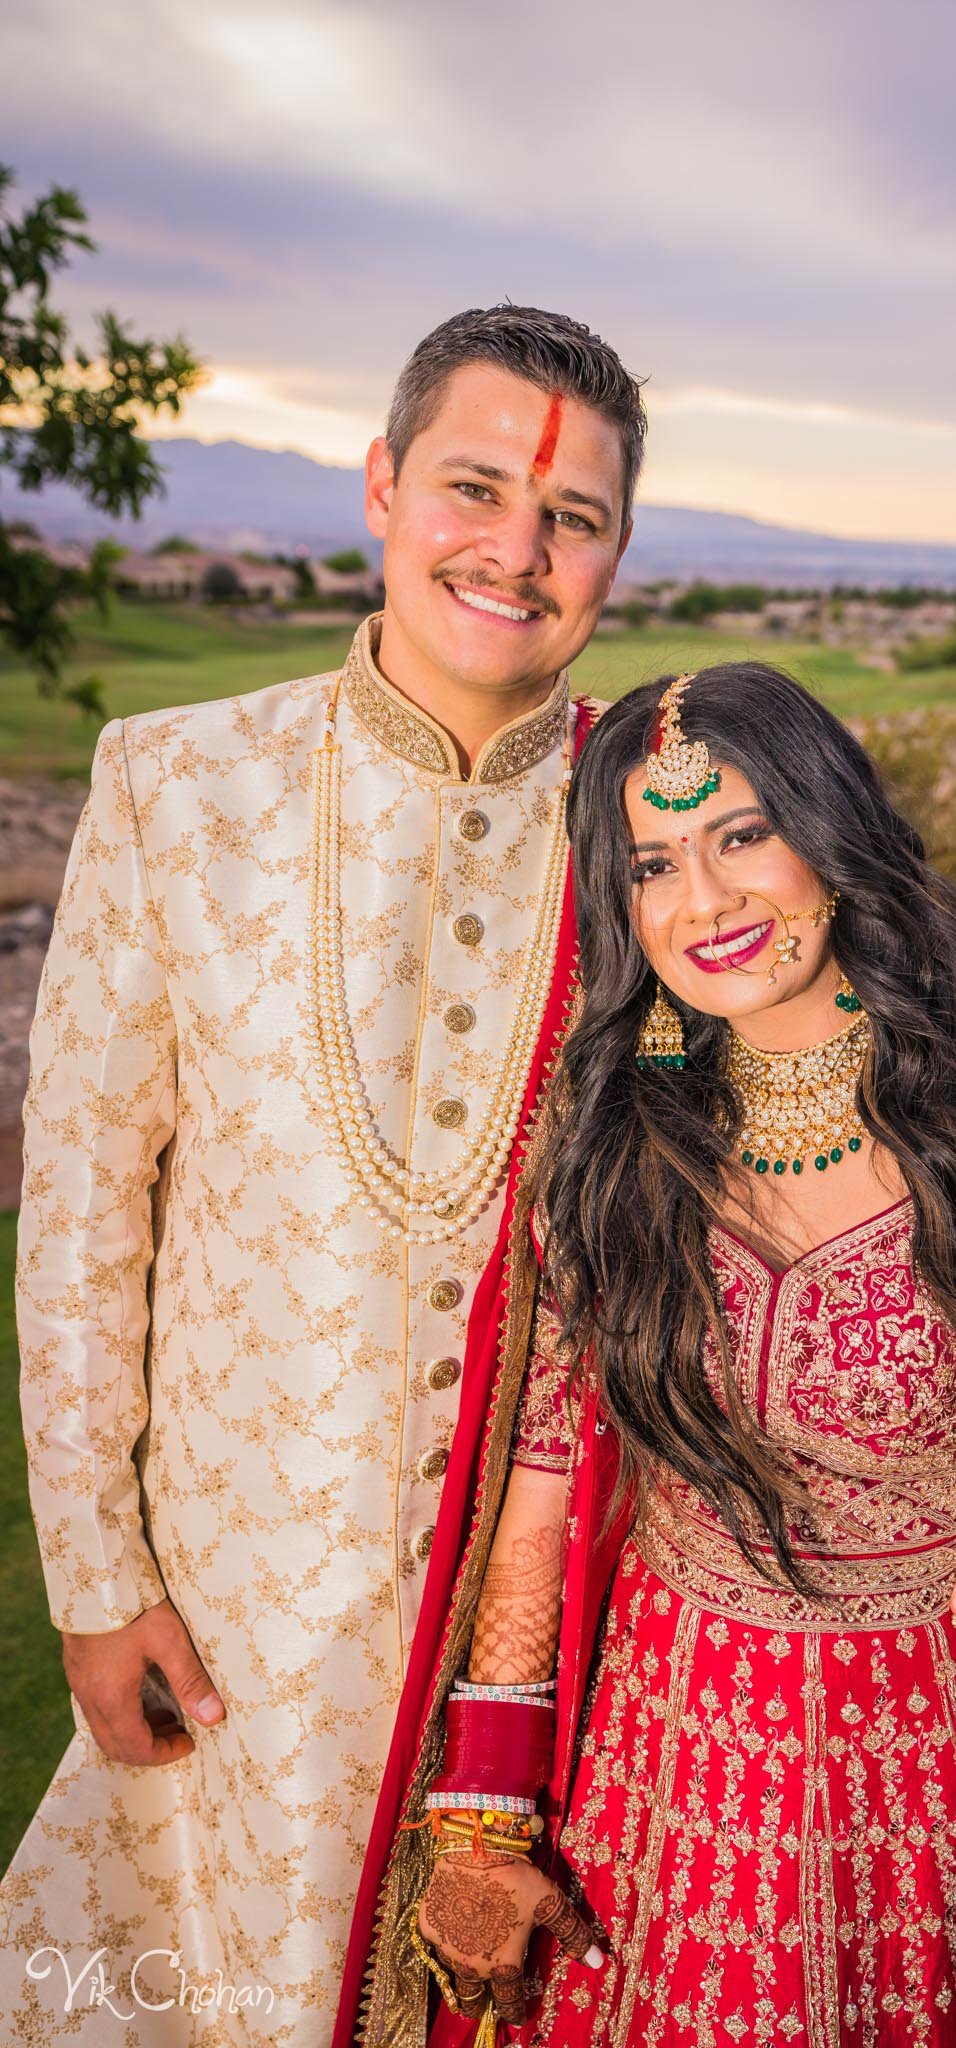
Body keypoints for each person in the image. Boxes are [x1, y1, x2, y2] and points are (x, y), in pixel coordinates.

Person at [0, 305, 643, 2045]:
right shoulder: (173, 784)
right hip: (230, 1634)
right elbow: (77, 1217)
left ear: (615, 552)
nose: (514, 549)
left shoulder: (659, 834)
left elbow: (860, 1149)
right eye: (473, 486)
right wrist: (94, 1576)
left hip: (549, 1655)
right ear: (379, 484)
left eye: (569, 515)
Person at [382, 665, 956, 2047]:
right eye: (653, 863)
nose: (706, 901)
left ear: (832, 832)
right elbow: (542, 1492)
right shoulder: (619, 1140)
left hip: (936, 1774)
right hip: (658, 1778)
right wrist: (481, 1821)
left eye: (743, 834)